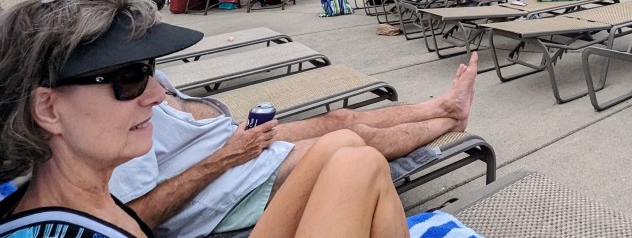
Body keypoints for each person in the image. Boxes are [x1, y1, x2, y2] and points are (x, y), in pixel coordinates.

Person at [0, 0, 409, 238]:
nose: (156, 95)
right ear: (48, 110)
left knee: (356, 156)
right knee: (358, 159)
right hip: (224, 193)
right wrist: (224, 158)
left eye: (151, 70)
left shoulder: (81, 198)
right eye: (129, 79)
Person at [109, 53, 478, 238]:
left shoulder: (137, 69)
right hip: (228, 178)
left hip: (236, 144)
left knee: (342, 122)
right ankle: (449, 121)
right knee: (358, 151)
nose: (154, 91)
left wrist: (232, 140)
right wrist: (225, 157)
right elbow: (136, 217)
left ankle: (444, 108)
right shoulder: (113, 126)